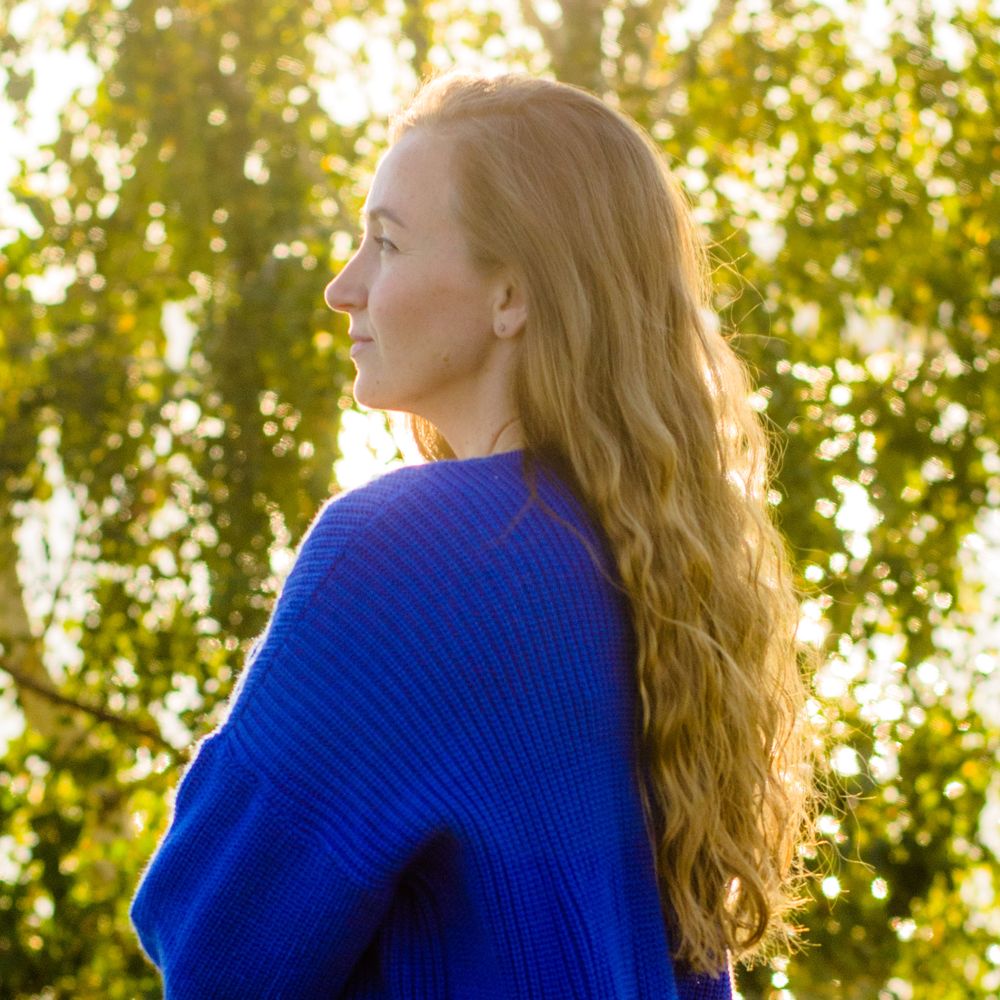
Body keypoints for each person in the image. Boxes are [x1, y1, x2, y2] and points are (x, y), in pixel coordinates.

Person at [130, 70, 816, 998]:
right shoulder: (656, 559)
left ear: (510, 296)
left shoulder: (403, 553)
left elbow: (217, 940)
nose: (343, 288)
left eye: (387, 243)